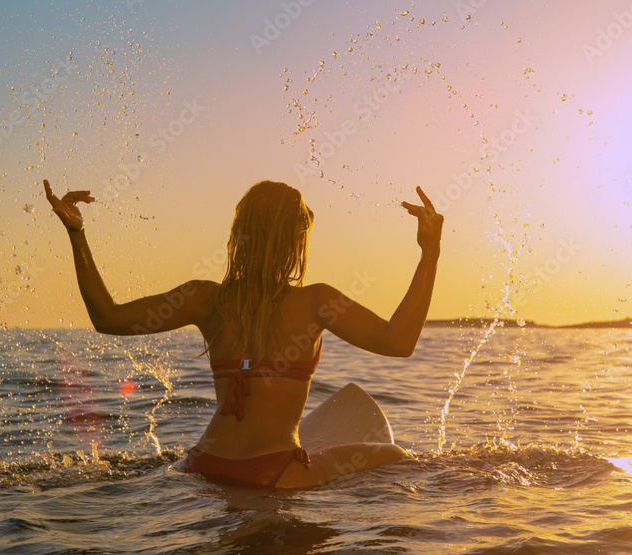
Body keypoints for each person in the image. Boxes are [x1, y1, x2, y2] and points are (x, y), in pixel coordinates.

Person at [43, 179, 442, 488]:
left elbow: (107, 318)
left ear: (239, 236)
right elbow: (399, 341)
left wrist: (76, 234)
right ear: (294, 242)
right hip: (275, 472)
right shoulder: (317, 302)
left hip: (201, 465)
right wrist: (429, 253)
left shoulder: (205, 298)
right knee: (394, 455)